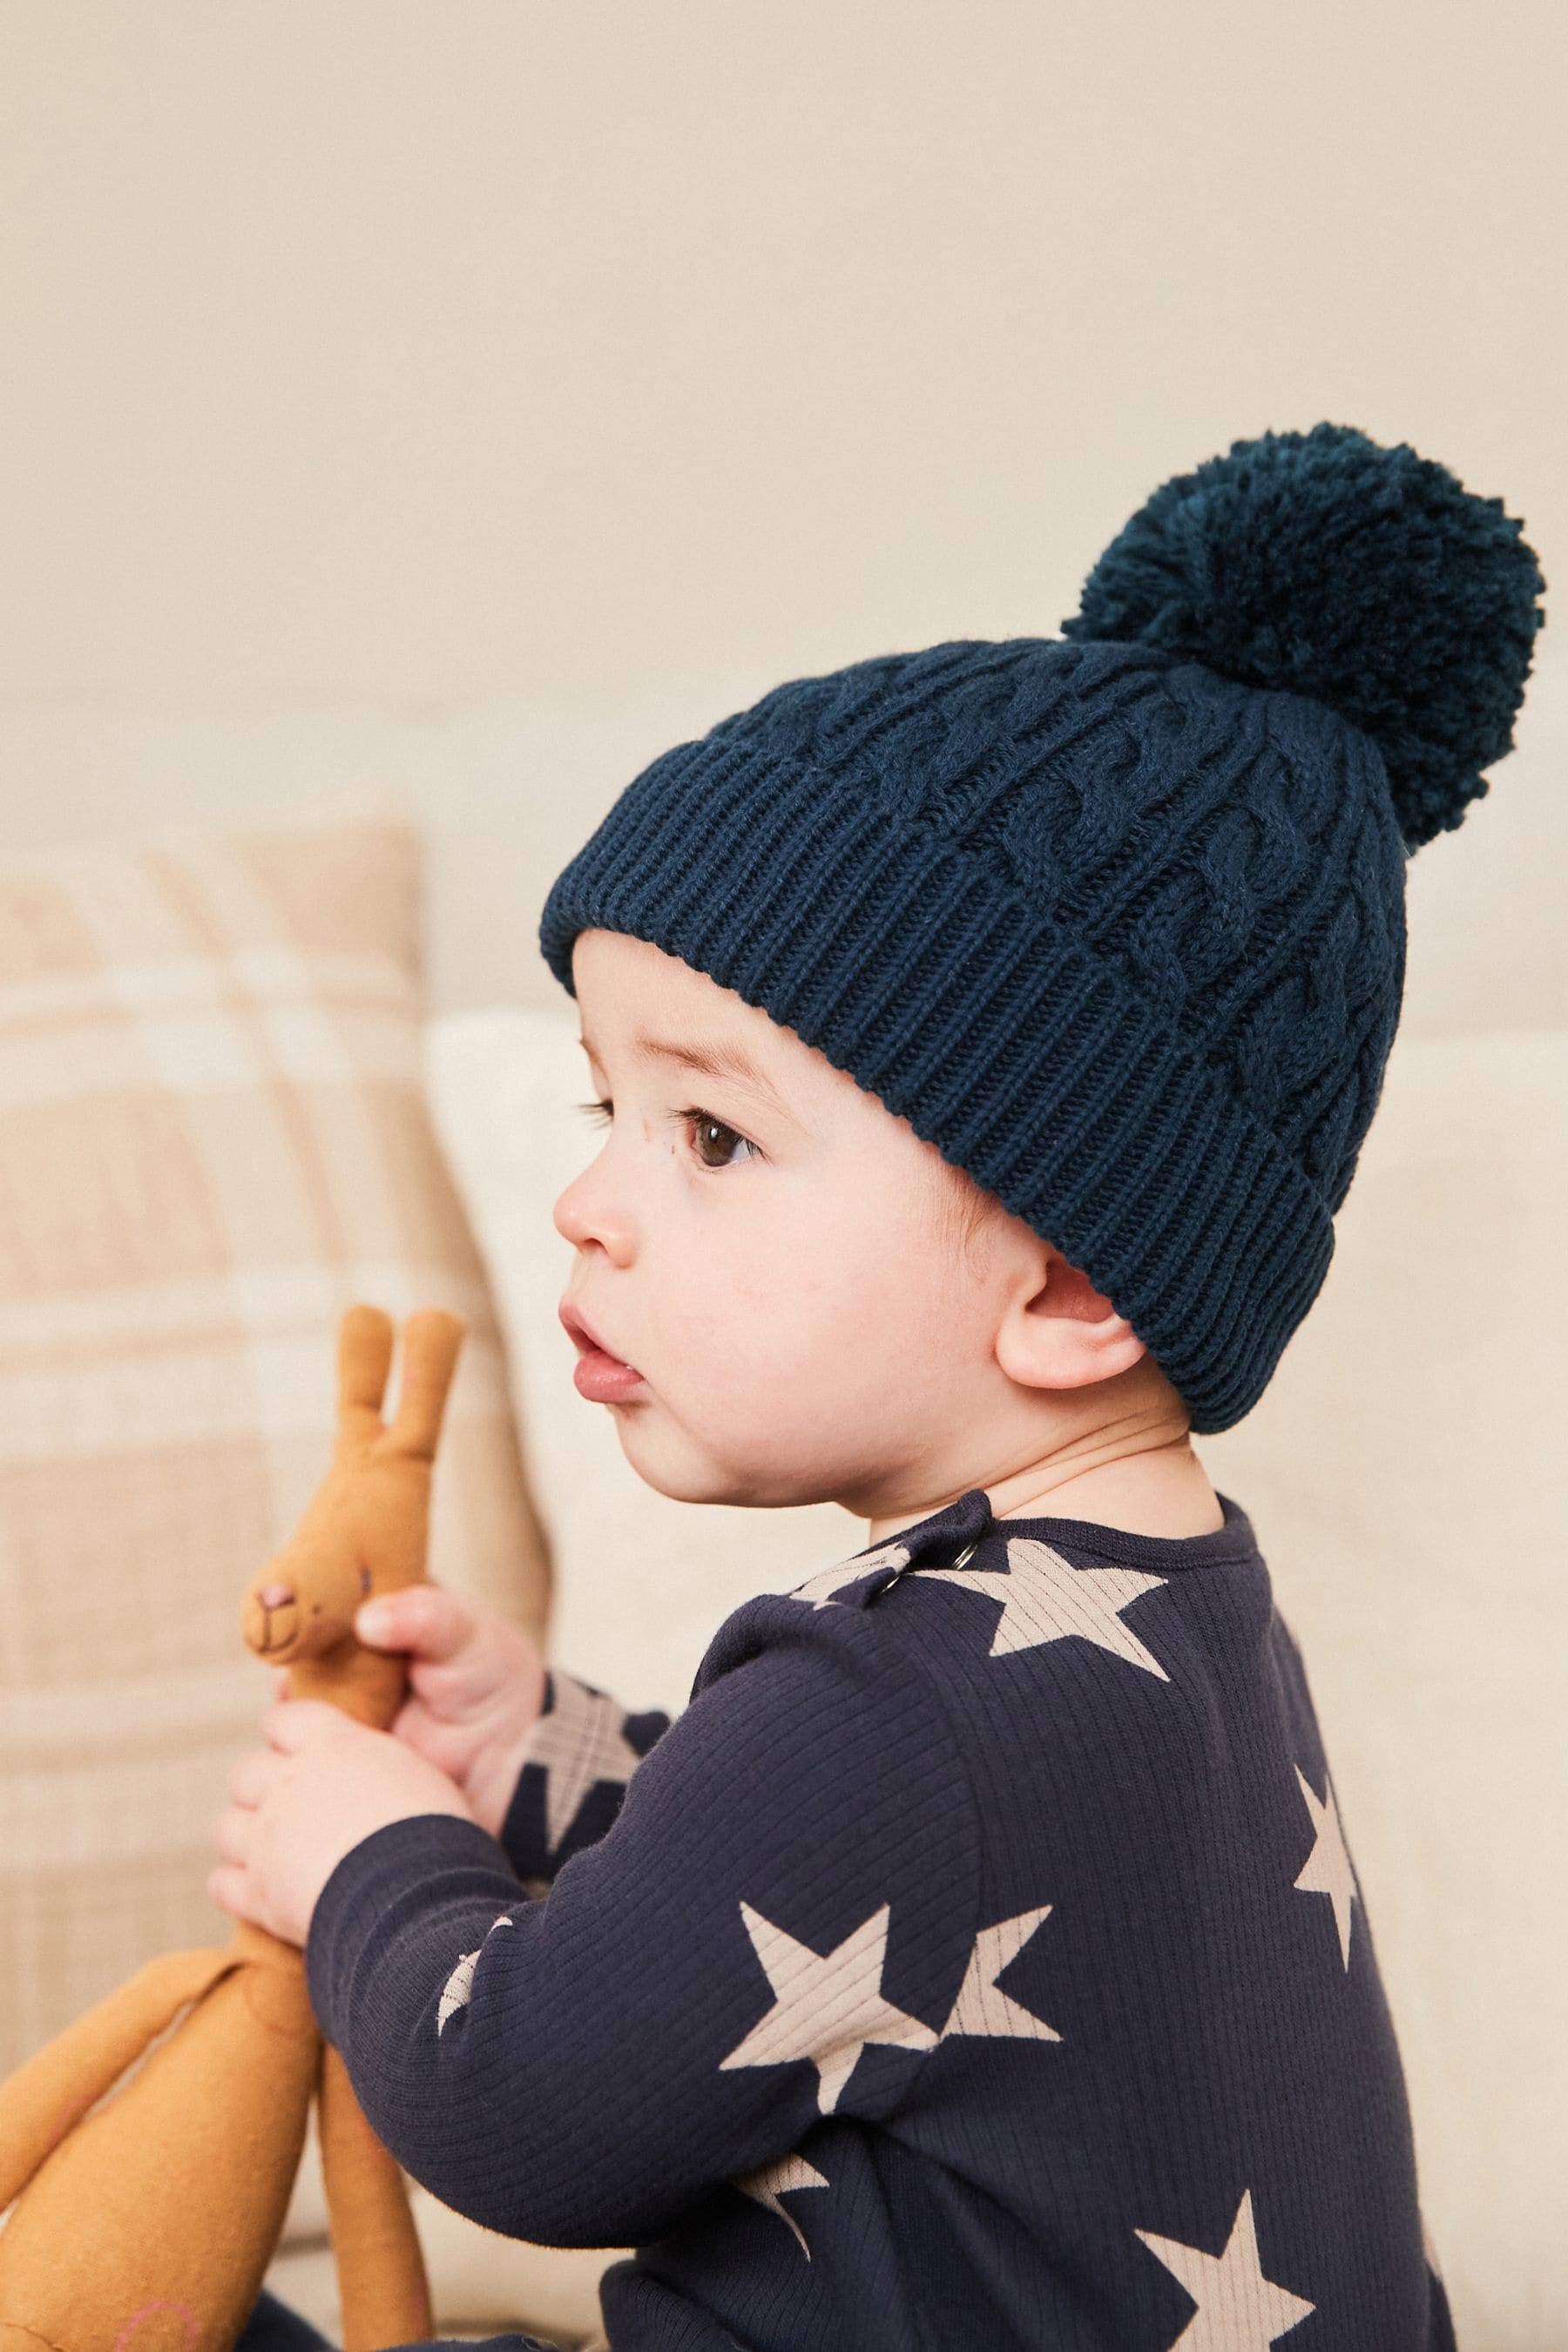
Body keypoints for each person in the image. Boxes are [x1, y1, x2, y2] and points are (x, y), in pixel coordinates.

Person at [213, 422, 1543, 2352]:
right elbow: (830, 1918)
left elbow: (531, 2112)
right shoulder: (1172, 1623)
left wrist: (372, 1864)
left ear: (1076, 1280)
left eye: (714, 1139)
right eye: (610, 1108)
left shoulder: (897, 1707)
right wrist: (539, 1762)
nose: (587, 1206)